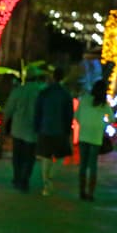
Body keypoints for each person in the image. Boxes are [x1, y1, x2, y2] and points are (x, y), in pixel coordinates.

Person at [33, 67, 74, 196]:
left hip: (45, 129)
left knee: (45, 157)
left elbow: (38, 111)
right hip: (60, 130)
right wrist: (68, 130)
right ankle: (50, 177)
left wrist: (37, 126)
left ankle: (46, 184)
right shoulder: (65, 94)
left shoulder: (44, 92)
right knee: (61, 156)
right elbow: (69, 114)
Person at [2, 70, 44, 192]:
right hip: (32, 130)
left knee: (17, 156)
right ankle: (24, 179)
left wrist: (3, 125)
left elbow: (9, 109)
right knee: (29, 157)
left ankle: (17, 177)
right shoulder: (40, 92)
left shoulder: (18, 91)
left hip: (18, 129)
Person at [75, 78, 111, 201]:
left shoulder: (84, 99)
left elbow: (77, 116)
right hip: (96, 137)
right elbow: (112, 119)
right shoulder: (104, 104)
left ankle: (81, 191)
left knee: (83, 166)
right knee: (93, 166)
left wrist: (84, 124)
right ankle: (90, 193)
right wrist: (102, 126)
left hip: (83, 136)